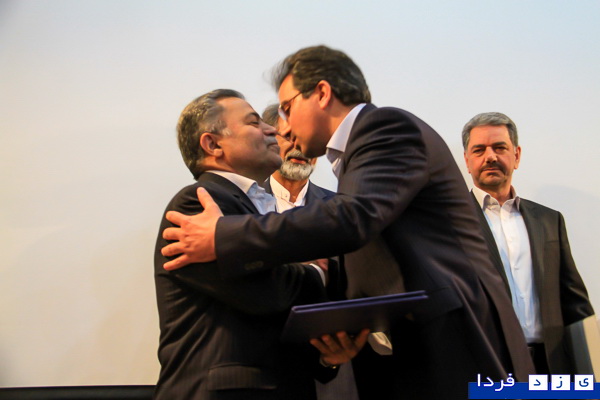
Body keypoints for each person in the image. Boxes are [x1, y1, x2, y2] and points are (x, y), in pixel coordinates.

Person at [160, 46, 535, 399]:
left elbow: (352, 218)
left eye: (287, 108)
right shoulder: (198, 203)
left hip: (452, 337)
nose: (281, 128)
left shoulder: (385, 127)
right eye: (261, 120)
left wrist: (223, 234)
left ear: (322, 94)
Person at [154, 89, 368, 400]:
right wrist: (319, 273)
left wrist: (325, 358)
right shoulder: (196, 203)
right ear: (213, 144)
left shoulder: (258, 209)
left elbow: (278, 319)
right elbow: (267, 292)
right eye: (254, 122)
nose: (272, 130)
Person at [462, 111, 594, 374]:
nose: (490, 156)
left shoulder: (549, 220)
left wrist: (587, 371)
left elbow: (574, 303)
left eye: (500, 147)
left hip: (550, 365)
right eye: (479, 150)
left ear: (517, 155)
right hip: (486, 366)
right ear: (467, 160)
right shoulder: (450, 223)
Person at [262, 105, 359, 400]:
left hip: (331, 371)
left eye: (306, 139)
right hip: (263, 372)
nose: (299, 147)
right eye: (289, 136)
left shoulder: (342, 209)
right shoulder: (241, 205)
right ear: (268, 140)